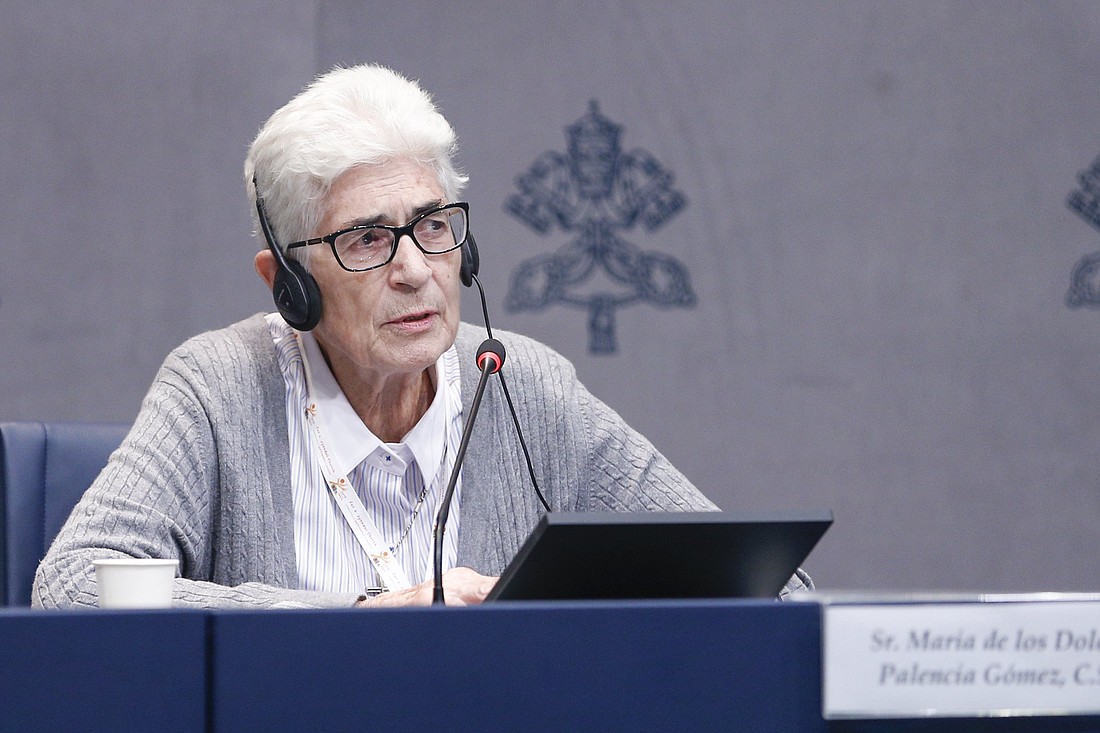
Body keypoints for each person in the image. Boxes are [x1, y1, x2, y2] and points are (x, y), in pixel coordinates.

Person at [33, 64, 808, 609]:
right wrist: (351, 615)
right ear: (286, 283)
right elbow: (71, 583)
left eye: (433, 226)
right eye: (368, 240)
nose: (416, 270)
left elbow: (760, 577)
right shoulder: (219, 387)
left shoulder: (518, 382)